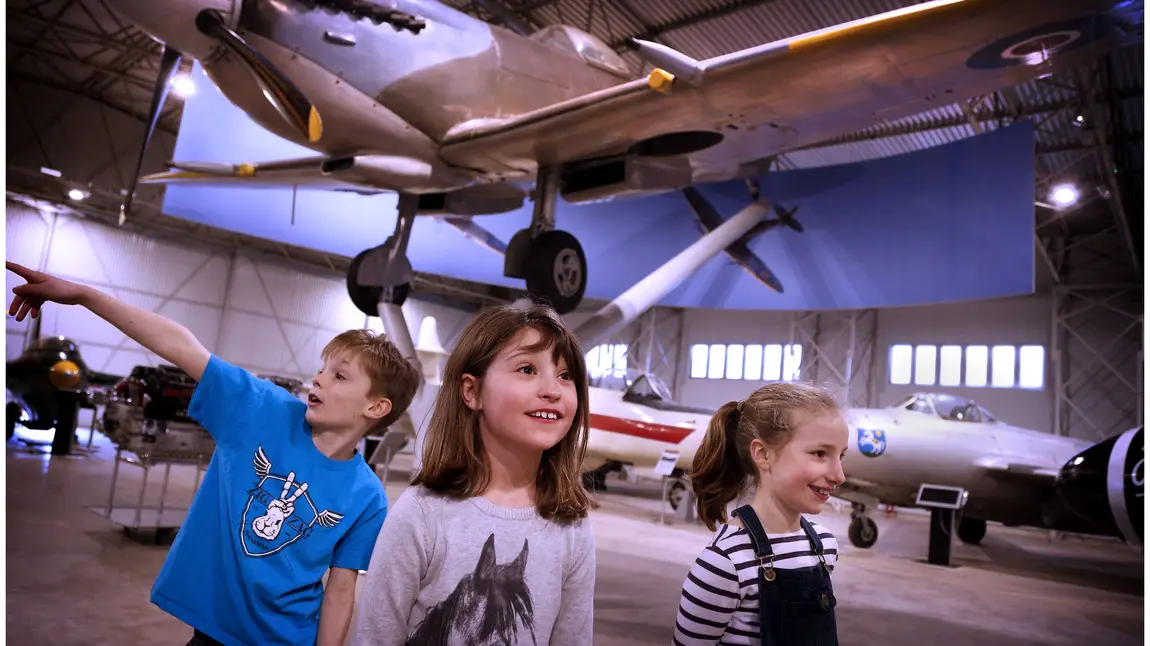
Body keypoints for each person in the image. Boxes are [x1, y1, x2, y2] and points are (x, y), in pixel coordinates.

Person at [5, 261, 421, 646]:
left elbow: (341, 587)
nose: (319, 378)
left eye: (339, 376)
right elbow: (182, 347)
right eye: (323, 367)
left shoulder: (366, 496)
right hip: (209, 635)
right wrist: (84, 296)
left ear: (376, 407)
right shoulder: (261, 410)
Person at [349, 301, 598, 646]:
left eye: (566, 375)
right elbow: (374, 636)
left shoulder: (571, 524)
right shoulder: (421, 513)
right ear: (472, 391)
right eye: (527, 369)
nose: (553, 390)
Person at [672, 382, 848, 646]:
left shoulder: (824, 546)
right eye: (820, 453)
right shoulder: (725, 562)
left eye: (841, 456)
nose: (838, 475)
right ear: (763, 454)